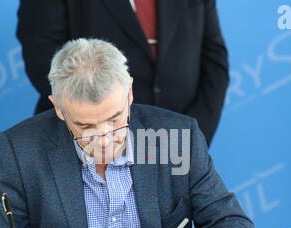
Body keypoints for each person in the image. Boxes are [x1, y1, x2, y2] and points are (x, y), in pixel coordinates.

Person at [0, 39, 255, 228]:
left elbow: (235, 226)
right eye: (85, 126)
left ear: (129, 92)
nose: (104, 139)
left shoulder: (175, 136)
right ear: (58, 108)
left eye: (115, 119)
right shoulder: (23, 147)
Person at [16, 0, 229, 145]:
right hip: (87, 145)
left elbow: (214, 61)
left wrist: (192, 136)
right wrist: (104, 131)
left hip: (176, 146)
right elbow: (43, 60)